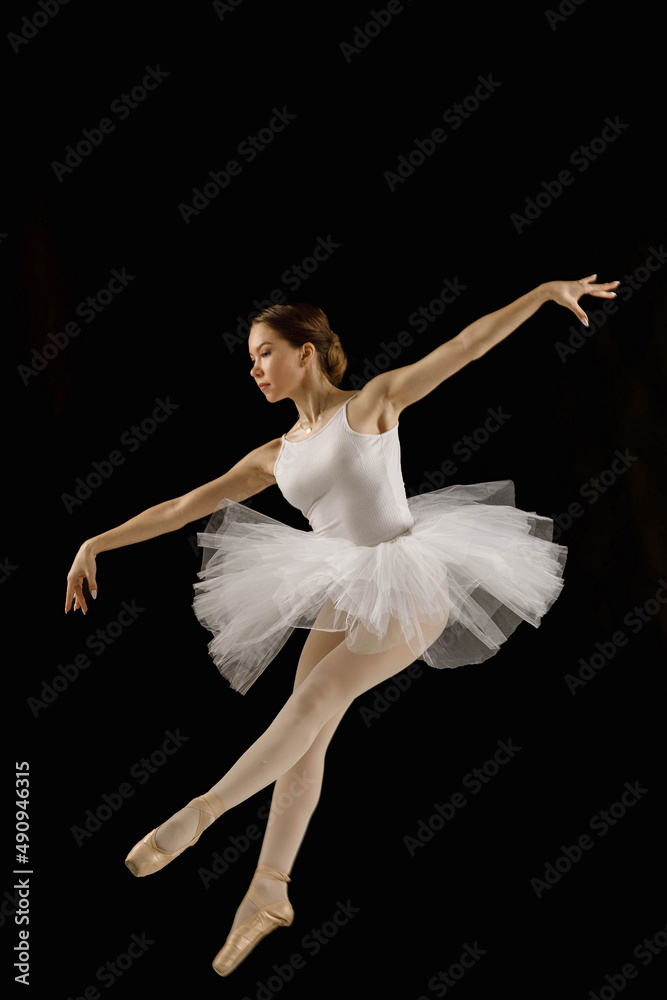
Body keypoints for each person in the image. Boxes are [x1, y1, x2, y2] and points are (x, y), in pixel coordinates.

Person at [64, 275, 619, 977]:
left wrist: (541, 293)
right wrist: (95, 543)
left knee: (315, 702)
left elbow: (465, 348)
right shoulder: (276, 453)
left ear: (307, 353)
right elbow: (182, 505)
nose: (254, 368)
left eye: (265, 353)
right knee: (308, 738)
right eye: (250, 358)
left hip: (412, 577)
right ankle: (269, 889)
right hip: (344, 584)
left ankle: (202, 812)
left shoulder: (372, 404)